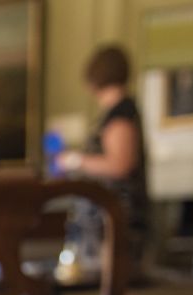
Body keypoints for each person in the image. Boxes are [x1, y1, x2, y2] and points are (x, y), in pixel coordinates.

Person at [56, 45, 149, 264]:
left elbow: (120, 164)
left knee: (116, 280)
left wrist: (75, 160)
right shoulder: (118, 111)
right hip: (108, 212)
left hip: (117, 212)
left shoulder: (121, 114)